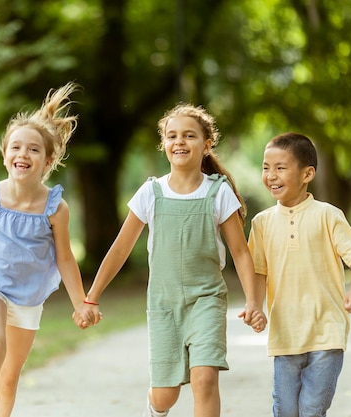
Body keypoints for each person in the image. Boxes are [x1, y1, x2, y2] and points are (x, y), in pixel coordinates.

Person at [82, 103, 266, 417]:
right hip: (164, 305)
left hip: (206, 299)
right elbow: (119, 249)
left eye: (189, 136)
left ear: (207, 145)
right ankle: (154, 410)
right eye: (172, 136)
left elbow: (240, 252)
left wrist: (253, 302)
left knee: (205, 379)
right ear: (164, 144)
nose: (179, 141)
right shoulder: (150, 193)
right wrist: (92, 298)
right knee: (165, 396)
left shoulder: (218, 193)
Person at [0, 82, 94, 417]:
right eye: (16, 147)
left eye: (34, 150)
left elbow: (65, 257)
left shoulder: (55, 208)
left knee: (9, 377)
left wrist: (80, 303)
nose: (23, 154)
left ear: (48, 161)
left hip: (29, 295)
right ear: (5, 155)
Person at [247, 132, 351, 417]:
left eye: (280, 167)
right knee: (285, 410)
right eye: (266, 167)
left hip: (327, 330)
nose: (271, 175)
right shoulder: (260, 223)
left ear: (307, 173)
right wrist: (255, 306)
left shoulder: (328, 214)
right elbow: (258, 271)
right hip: (285, 333)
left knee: (312, 409)